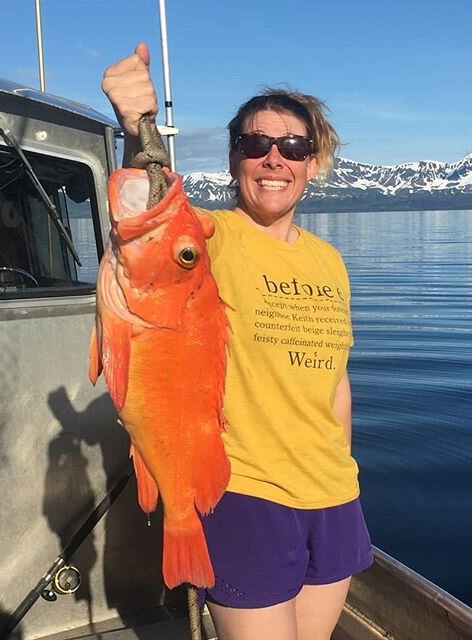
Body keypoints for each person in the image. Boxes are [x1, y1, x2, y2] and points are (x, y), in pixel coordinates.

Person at [102, 43, 373, 640]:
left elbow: (335, 379)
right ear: (233, 159)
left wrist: (345, 470)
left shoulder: (330, 261)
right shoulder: (209, 236)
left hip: (332, 493)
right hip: (245, 491)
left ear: (313, 161)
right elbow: (144, 220)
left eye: (294, 147)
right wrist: (136, 128)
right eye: (257, 145)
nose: (275, 159)